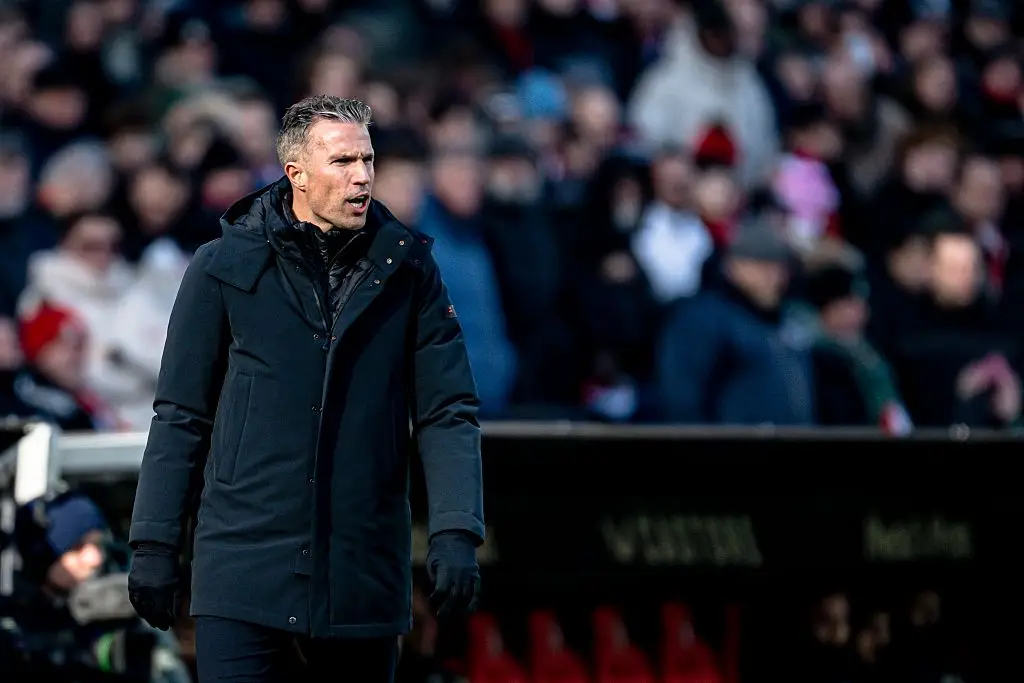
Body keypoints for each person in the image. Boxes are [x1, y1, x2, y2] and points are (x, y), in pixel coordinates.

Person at [127, 95, 484, 683]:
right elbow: (181, 416)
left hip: (361, 574)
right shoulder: (222, 266)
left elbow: (448, 410)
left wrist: (455, 529)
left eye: (367, 160)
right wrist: (154, 545)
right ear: (295, 172)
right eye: (342, 161)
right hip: (243, 567)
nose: (362, 176)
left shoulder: (411, 270)